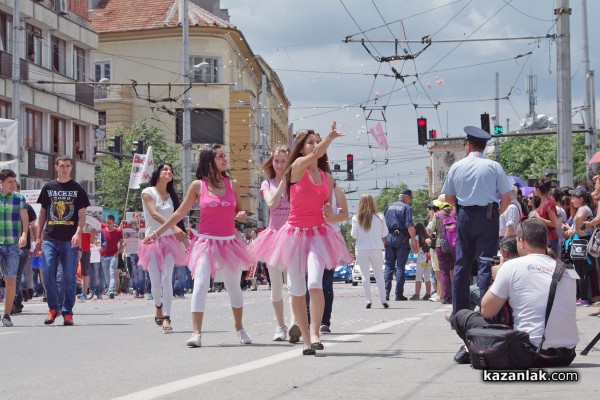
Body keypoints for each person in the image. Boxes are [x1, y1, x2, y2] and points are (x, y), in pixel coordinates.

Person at [143, 144, 252, 347]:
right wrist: (157, 232)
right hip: (205, 242)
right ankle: (196, 334)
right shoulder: (197, 186)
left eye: (224, 156)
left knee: (233, 287)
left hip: (229, 242)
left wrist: (240, 215)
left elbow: (238, 209)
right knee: (200, 284)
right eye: (220, 156)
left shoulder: (232, 184)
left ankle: (240, 328)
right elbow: (179, 213)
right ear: (209, 160)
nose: (224, 159)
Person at [256, 124, 351, 355]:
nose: (315, 145)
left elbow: (332, 210)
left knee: (315, 284)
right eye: (310, 142)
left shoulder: (327, 177)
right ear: (300, 149)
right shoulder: (296, 168)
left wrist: (329, 211)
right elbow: (317, 154)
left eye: (317, 141)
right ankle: (307, 341)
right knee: (297, 290)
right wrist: (329, 137)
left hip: (318, 234)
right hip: (294, 235)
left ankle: (316, 333)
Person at [453, 219, 579, 367]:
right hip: (566, 355)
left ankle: (472, 349)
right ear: (545, 241)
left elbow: (487, 311)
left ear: (521, 240)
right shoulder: (565, 269)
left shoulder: (511, 267)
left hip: (530, 353)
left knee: (462, 316)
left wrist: (496, 277)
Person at [441, 126, 511, 334]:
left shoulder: (457, 166)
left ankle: (459, 312)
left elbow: (448, 199)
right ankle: (485, 310)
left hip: (464, 216)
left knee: (462, 263)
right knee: (485, 263)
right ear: (483, 146)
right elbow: (506, 199)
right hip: (487, 215)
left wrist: (462, 211)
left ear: (468, 145)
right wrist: (494, 214)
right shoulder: (494, 166)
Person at [36, 156, 90, 326]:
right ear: (56, 167)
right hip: (50, 238)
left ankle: (67, 311)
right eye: (62, 166)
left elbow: (82, 215)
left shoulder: (77, 189)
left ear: (71, 168)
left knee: (69, 277)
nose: (64, 169)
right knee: (47, 272)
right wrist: (38, 236)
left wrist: (78, 233)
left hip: (69, 239)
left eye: (67, 166)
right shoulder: (48, 187)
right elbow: (43, 213)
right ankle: (53, 308)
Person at [248, 145, 291, 341]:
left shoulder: (297, 182)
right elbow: (272, 203)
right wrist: (282, 182)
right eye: (277, 161)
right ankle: (281, 326)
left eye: (283, 160)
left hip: (293, 236)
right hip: (273, 237)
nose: (280, 164)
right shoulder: (267, 184)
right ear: (272, 162)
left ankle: (296, 323)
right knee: (276, 286)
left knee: (294, 284)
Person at [138, 163, 188, 332]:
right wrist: (173, 227)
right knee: (156, 282)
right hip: (152, 241)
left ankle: (166, 316)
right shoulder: (148, 192)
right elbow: (153, 214)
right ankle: (158, 305)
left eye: (171, 170)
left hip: (170, 242)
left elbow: (179, 219)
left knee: (167, 278)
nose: (168, 172)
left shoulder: (173, 196)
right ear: (158, 173)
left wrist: (186, 241)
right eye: (165, 169)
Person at [0, 170, 29, 326]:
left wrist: (24, 235)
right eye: (9, 181)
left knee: (10, 279)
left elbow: (25, 219)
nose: (12, 184)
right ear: (1, 182)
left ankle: (6, 315)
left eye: (14, 181)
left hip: (12, 243)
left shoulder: (19, 198)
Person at [351, 193, 389, 309]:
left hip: (361, 248)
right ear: (373, 203)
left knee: (365, 275)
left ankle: (368, 300)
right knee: (379, 275)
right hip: (376, 247)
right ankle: (383, 299)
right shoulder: (380, 217)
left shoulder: (356, 218)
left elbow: (354, 235)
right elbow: (384, 233)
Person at [383, 189, 417, 301]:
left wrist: (384, 239)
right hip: (402, 238)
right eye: (410, 198)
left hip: (389, 237)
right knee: (400, 266)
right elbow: (409, 225)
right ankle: (399, 294)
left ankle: (385, 293)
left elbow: (383, 224)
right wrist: (413, 239)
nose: (410, 201)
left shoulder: (388, 206)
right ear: (406, 197)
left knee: (388, 266)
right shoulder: (407, 208)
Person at [564, 187, 593, 306]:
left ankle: (584, 298)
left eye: (574, 198)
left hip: (580, 243)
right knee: (580, 270)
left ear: (580, 199)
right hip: (580, 242)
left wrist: (575, 232)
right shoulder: (585, 209)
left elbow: (579, 225)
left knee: (581, 271)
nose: (572, 201)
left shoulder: (582, 209)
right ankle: (583, 297)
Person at [12, 182, 37, 315]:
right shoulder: (5, 205)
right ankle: (18, 298)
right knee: (9, 275)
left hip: (23, 246)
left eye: (14, 187)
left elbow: (34, 226)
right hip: (8, 243)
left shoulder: (26, 207)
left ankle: (16, 302)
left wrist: (36, 241)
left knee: (16, 274)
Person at [531, 178, 559, 256]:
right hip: (543, 238)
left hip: (550, 240)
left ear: (538, 189)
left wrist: (538, 217)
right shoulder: (543, 202)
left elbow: (554, 223)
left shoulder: (548, 203)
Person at [100, 215, 125, 299]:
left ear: (113, 223)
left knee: (112, 274)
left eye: (109, 223)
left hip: (113, 256)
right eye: (106, 223)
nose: (107, 225)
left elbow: (122, 244)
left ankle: (111, 290)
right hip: (103, 256)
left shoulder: (117, 232)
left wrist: (117, 253)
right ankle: (109, 289)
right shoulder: (102, 231)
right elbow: (98, 243)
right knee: (107, 275)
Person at [412, 222, 432, 300]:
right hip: (429, 258)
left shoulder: (417, 237)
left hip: (421, 259)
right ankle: (428, 294)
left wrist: (413, 248)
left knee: (418, 278)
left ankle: (417, 295)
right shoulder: (427, 237)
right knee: (427, 278)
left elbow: (416, 250)